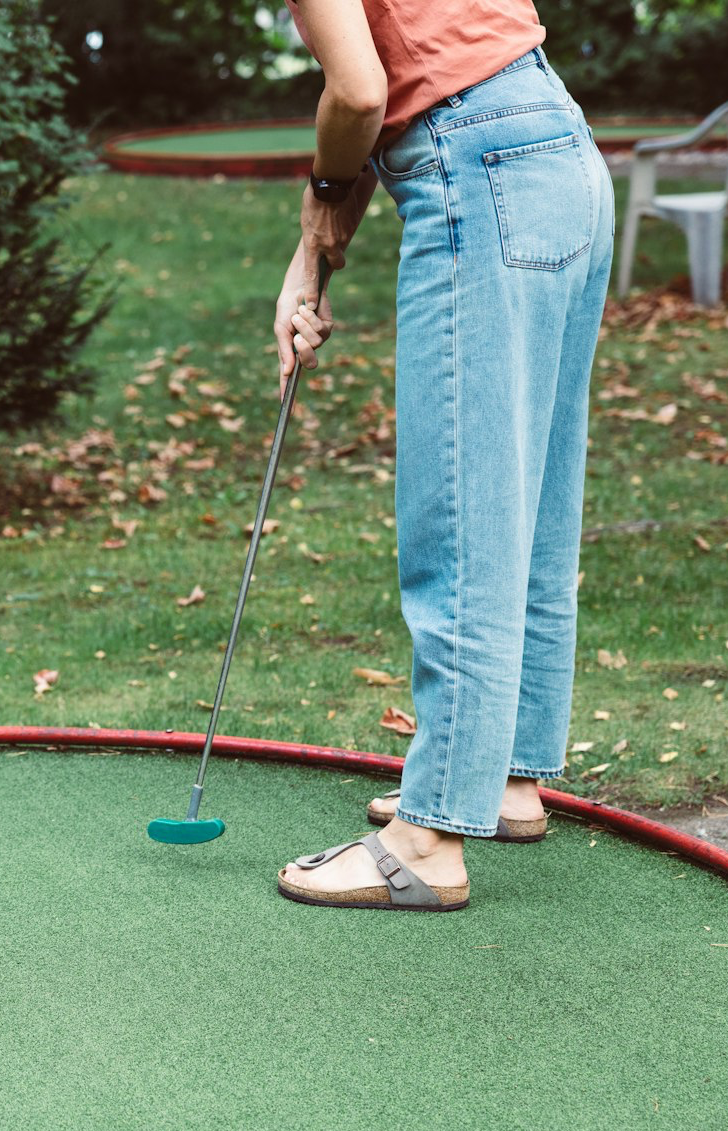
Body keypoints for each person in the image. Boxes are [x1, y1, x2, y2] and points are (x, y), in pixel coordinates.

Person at [273, 0, 615, 911]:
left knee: (461, 509)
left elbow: (357, 91)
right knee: (533, 497)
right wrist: (314, 246)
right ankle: (501, 778)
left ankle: (427, 840)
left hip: (479, 165)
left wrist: (322, 205)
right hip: (561, 147)